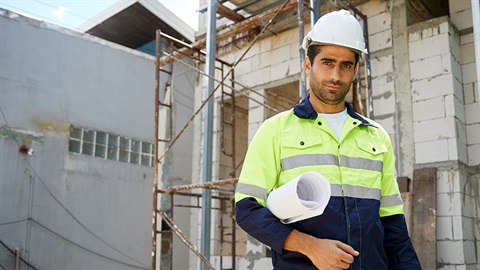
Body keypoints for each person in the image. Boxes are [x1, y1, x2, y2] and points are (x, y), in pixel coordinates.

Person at [234, 9, 421, 270]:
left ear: (355, 70)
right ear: (308, 64)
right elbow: (247, 209)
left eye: (345, 65)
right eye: (327, 62)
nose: (335, 75)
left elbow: (393, 228)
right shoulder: (275, 130)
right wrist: (310, 247)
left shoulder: (376, 136)